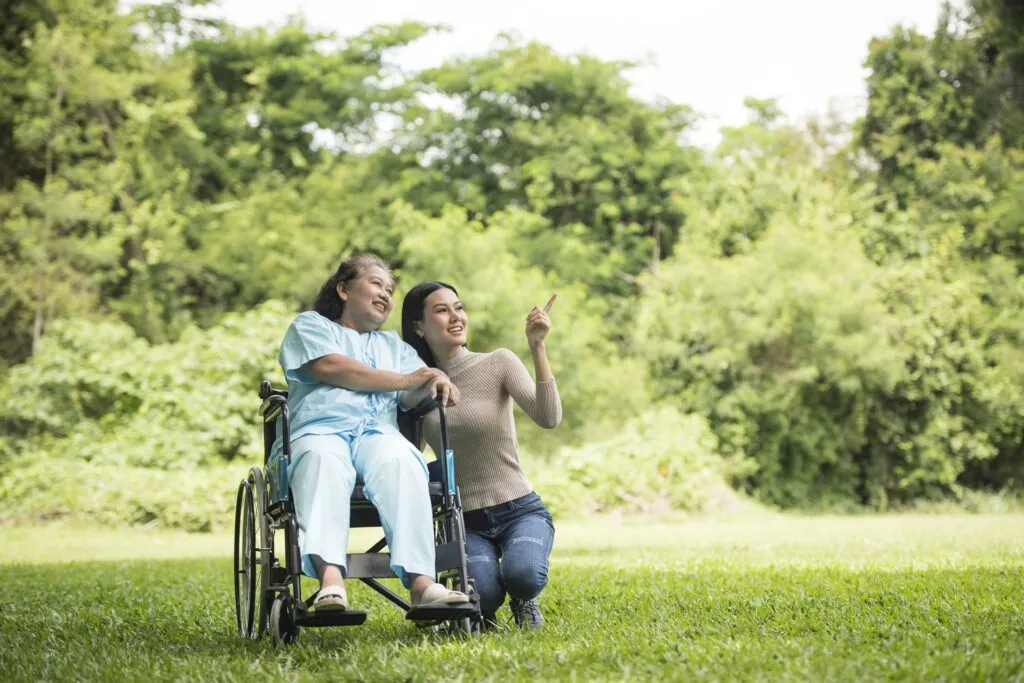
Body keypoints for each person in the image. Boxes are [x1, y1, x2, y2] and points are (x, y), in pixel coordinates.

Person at [273, 254, 469, 612]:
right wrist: (411, 378)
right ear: (344, 289)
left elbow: (418, 388)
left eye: (390, 289)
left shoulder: (393, 346)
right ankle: (331, 581)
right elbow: (332, 367)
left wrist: (435, 378)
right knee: (322, 461)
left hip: (376, 434)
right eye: (376, 284)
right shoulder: (310, 326)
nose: (385, 294)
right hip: (320, 431)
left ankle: (423, 584)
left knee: (403, 459)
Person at [400, 281, 562, 628]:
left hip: (519, 509)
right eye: (442, 310)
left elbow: (548, 418)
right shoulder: (416, 388)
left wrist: (538, 346)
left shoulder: (498, 362)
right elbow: (408, 457)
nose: (456, 317)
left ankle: (524, 598)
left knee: (524, 574)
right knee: (483, 595)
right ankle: (485, 610)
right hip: (465, 522)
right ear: (418, 326)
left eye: (458, 307)